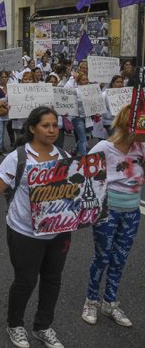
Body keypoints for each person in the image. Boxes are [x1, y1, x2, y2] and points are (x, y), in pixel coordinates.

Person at [0, 107, 70, 348]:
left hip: (59, 232)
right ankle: (15, 324)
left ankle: (43, 326)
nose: (52, 130)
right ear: (32, 128)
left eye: (54, 125)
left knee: (52, 279)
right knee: (25, 280)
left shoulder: (64, 156)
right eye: (45, 125)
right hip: (24, 232)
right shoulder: (18, 157)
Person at [81, 105, 144, 328]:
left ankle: (110, 302)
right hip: (107, 211)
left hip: (132, 213)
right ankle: (91, 300)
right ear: (130, 125)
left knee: (120, 258)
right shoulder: (103, 148)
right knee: (102, 257)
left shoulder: (141, 148)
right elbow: (83, 177)